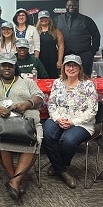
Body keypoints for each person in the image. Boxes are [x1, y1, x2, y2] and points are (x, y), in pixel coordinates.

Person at [0, 53, 44, 200]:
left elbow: (39, 96)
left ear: (15, 67)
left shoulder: (26, 81)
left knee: (35, 141)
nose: (7, 68)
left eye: (10, 65)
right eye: (3, 65)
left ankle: (14, 181)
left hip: (25, 121)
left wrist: (26, 104)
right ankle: (15, 181)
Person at [42, 54, 97, 189]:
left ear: (79, 68)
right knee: (46, 133)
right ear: (64, 67)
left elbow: (92, 111)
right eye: (68, 65)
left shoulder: (88, 85)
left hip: (81, 123)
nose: (71, 68)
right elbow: (52, 104)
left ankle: (58, 167)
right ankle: (62, 171)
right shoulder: (57, 83)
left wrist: (72, 122)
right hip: (58, 119)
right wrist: (57, 118)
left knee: (67, 140)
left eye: (74, 65)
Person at [54, 0, 101, 76]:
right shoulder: (57, 20)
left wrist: (92, 51)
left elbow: (96, 35)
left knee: (84, 78)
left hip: (84, 54)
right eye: (69, 5)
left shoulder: (87, 20)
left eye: (74, 5)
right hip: (65, 54)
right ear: (66, 7)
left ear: (77, 7)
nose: (71, 7)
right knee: (65, 78)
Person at [36, 10, 64, 79]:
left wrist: (60, 60)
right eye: (42, 18)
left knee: (53, 78)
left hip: (53, 60)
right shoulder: (34, 30)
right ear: (39, 19)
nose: (44, 20)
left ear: (49, 19)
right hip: (40, 60)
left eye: (45, 18)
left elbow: (61, 46)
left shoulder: (56, 30)